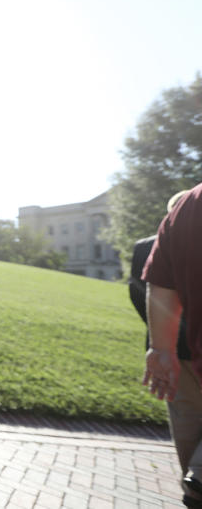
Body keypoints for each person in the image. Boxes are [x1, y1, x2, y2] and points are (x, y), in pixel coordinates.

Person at [142, 184, 202, 508]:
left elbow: (156, 285)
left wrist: (161, 348)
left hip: (179, 352)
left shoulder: (188, 206)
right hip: (183, 353)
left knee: (189, 427)